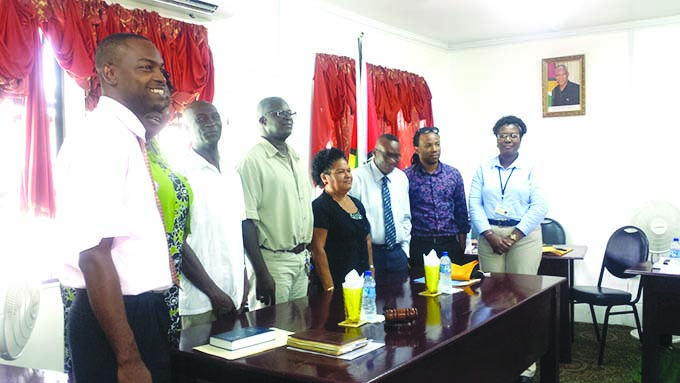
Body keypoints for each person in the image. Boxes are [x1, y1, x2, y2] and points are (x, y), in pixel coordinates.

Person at [56, 33, 173, 383]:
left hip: (137, 312)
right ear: (109, 73)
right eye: (145, 67)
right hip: (114, 317)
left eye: (161, 69)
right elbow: (93, 253)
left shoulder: (126, 137)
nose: (160, 77)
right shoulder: (101, 138)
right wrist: (128, 358)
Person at [468, 115, 548, 383]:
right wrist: (489, 235)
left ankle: (526, 364)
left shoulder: (531, 168)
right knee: (492, 301)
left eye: (513, 135)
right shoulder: (483, 168)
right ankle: (497, 358)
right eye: (503, 135)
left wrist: (512, 237)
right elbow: (474, 204)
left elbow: (539, 206)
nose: (508, 139)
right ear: (496, 138)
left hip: (523, 238)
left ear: (521, 138)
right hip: (490, 237)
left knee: (522, 298)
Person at [177, 100, 249, 329]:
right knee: (199, 365)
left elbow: (237, 230)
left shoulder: (231, 172)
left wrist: (244, 279)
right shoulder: (180, 173)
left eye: (214, 117)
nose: (210, 123)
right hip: (200, 302)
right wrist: (212, 292)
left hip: (235, 297)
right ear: (185, 128)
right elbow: (177, 243)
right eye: (200, 119)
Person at [238, 97, 313, 306]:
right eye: (279, 114)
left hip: (301, 260)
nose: (287, 118)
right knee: (272, 332)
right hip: (273, 263)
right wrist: (262, 273)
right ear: (262, 121)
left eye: (290, 113)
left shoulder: (296, 157)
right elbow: (246, 222)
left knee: (298, 332)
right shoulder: (252, 161)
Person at [404, 127, 470, 269]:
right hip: (420, 245)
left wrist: (462, 244)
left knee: (454, 289)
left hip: (450, 244)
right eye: (428, 145)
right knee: (420, 289)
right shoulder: (406, 177)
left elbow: (461, 212)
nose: (434, 149)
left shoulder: (453, 174)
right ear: (417, 149)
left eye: (437, 144)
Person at [310, 148, 374, 293]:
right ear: (324, 178)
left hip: (362, 282)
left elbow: (367, 239)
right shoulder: (320, 207)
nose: (347, 176)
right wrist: (330, 289)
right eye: (340, 172)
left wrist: (371, 271)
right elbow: (317, 250)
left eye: (348, 171)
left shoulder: (357, 204)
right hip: (338, 284)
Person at [349, 134, 410, 283]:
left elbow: (406, 217)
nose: (392, 161)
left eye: (397, 156)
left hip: (397, 254)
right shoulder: (357, 178)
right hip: (369, 254)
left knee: (402, 302)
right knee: (371, 302)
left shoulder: (401, 178)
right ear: (375, 152)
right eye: (388, 155)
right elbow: (352, 222)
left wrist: (405, 251)